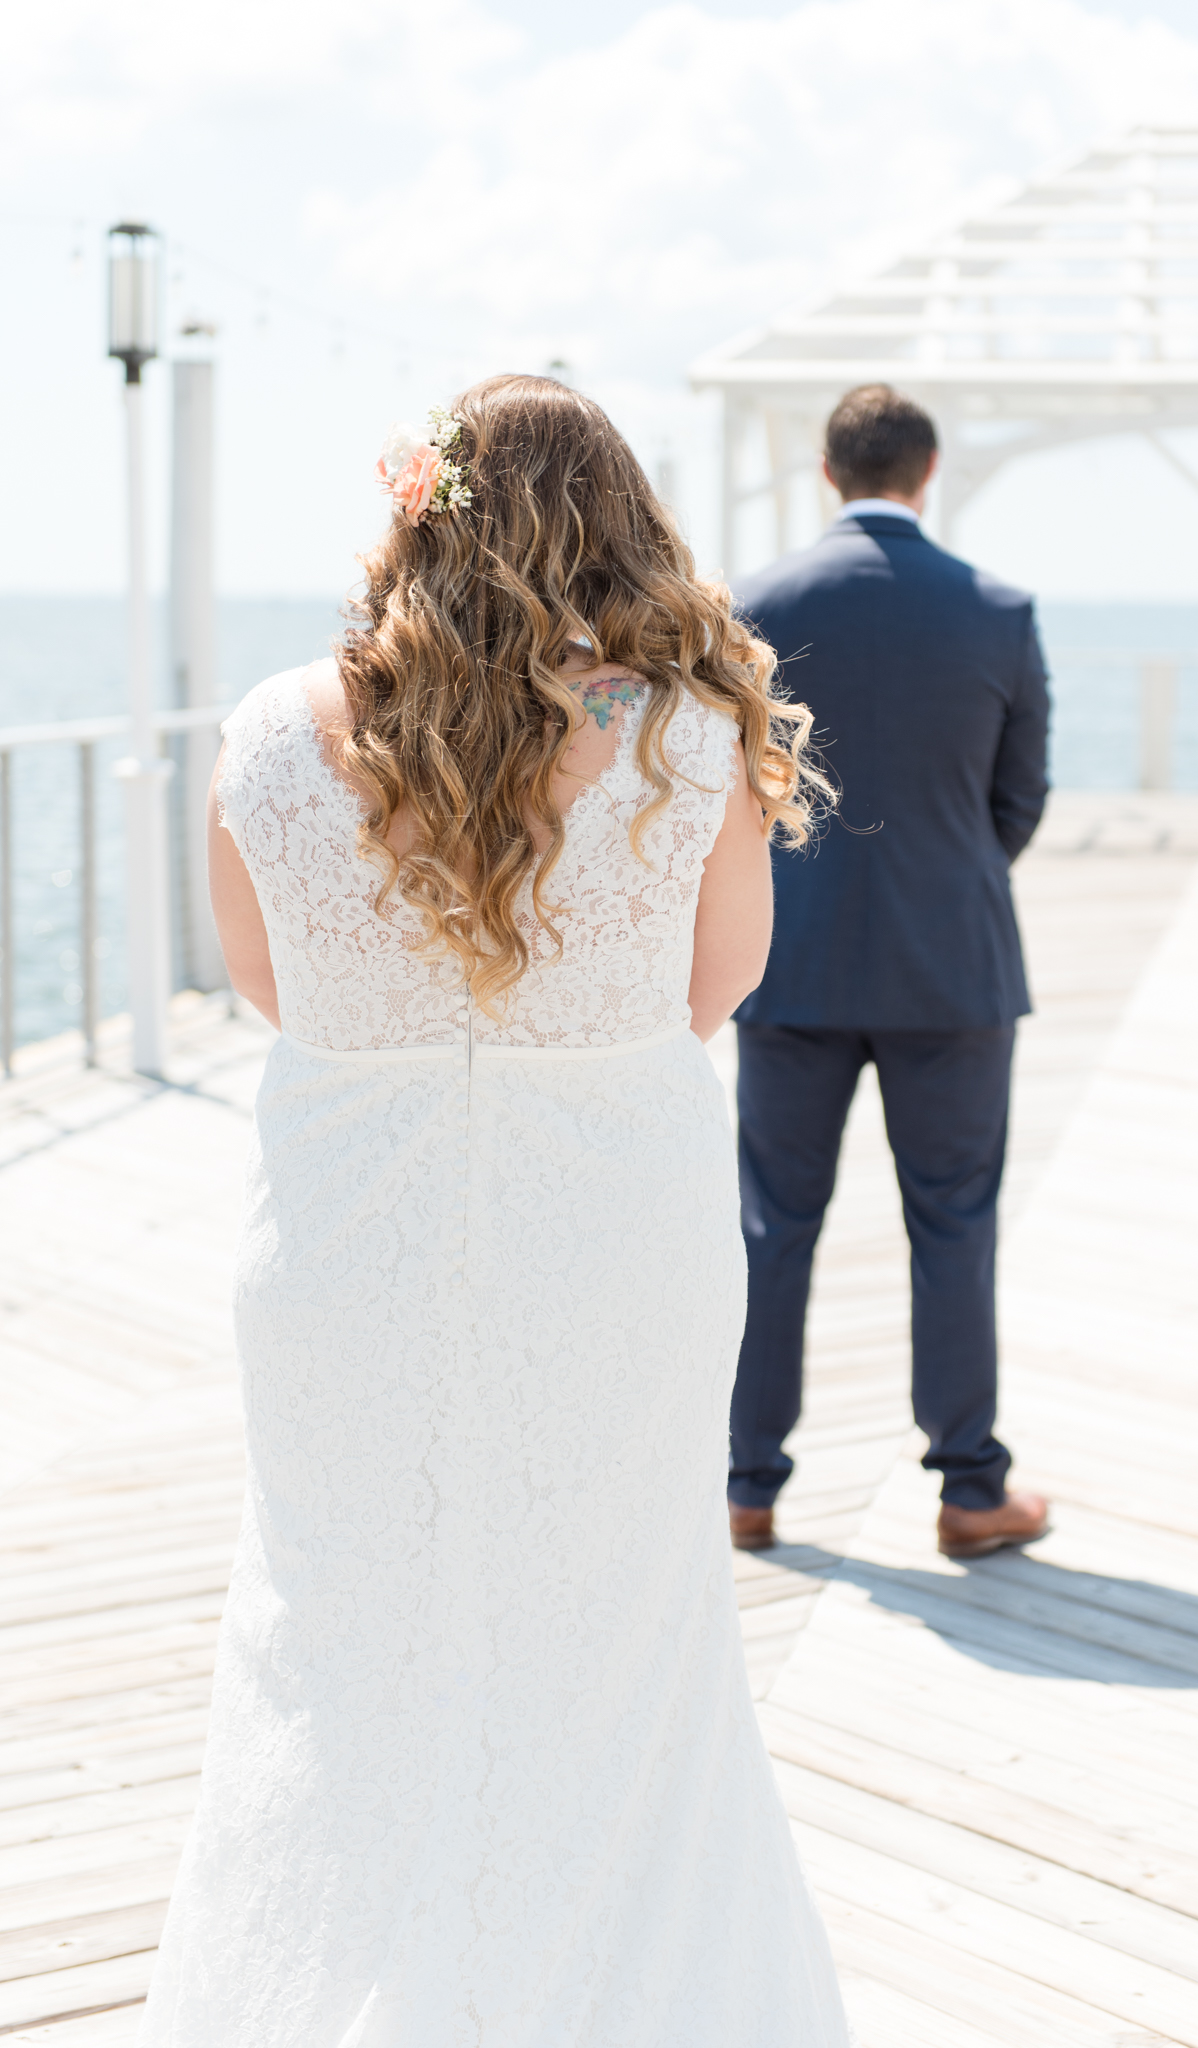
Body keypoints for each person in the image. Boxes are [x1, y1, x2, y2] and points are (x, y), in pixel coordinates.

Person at [140, 377, 849, 2048]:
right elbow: (719, 981)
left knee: (333, 1625)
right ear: (622, 521)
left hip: (342, 1241)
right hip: (614, 1230)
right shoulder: (689, 733)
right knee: (619, 1630)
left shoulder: (265, 730)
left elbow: (262, 980)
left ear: (418, 514)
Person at [726, 382, 1051, 1562]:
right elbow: (1016, 797)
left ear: (827, 474)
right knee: (953, 1222)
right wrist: (947, 876)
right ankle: (970, 1487)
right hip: (950, 965)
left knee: (769, 1224)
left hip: (792, 962)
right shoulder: (997, 608)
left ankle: (742, 1482)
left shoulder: (752, 604)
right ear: (927, 474)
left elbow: (729, 792)